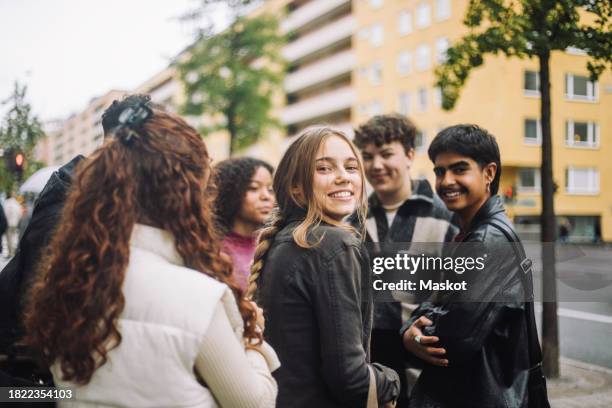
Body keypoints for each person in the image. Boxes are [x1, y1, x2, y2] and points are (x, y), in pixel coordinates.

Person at [22, 95, 279, 407]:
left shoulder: (67, 279)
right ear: (186, 194)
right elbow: (254, 403)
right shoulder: (198, 296)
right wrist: (253, 344)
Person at [247, 127, 400, 407]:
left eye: (351, 167)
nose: (343, 176)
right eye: (325, 168)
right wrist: (391, 381)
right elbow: (350, 379)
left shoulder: (287, 240)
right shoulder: (334, 244)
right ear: (297, 187)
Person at [400, 125, 546, 407]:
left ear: (489, 173)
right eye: (440, 171)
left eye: (459, 169)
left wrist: (410, 336)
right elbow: (438, 300)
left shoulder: (487, 241)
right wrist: (410, 326)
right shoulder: (470, 233)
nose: (446, 181)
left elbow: (451, 339)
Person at [353, 114, 456, 406]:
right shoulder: (353, 221)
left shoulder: (445, 217)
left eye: (386, 154)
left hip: (424, 371)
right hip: (367, 371)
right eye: (368, 157)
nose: (376, 165)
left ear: (410, 155)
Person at [213, 157, 275, 292]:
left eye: (270, 189)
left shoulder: (276, 243)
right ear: (230, 193)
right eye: (253, 188)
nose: (266, 196)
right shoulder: (216, 250)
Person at [3, 192, 23, 257]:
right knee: (13, 237)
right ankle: (12, 252)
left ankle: (10, 253)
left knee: (9, 238)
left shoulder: (6, 203)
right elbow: (20, 214)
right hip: (15, 223)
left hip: (8, 223)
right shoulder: (17, 204)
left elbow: (4, 213)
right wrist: (17, 221)